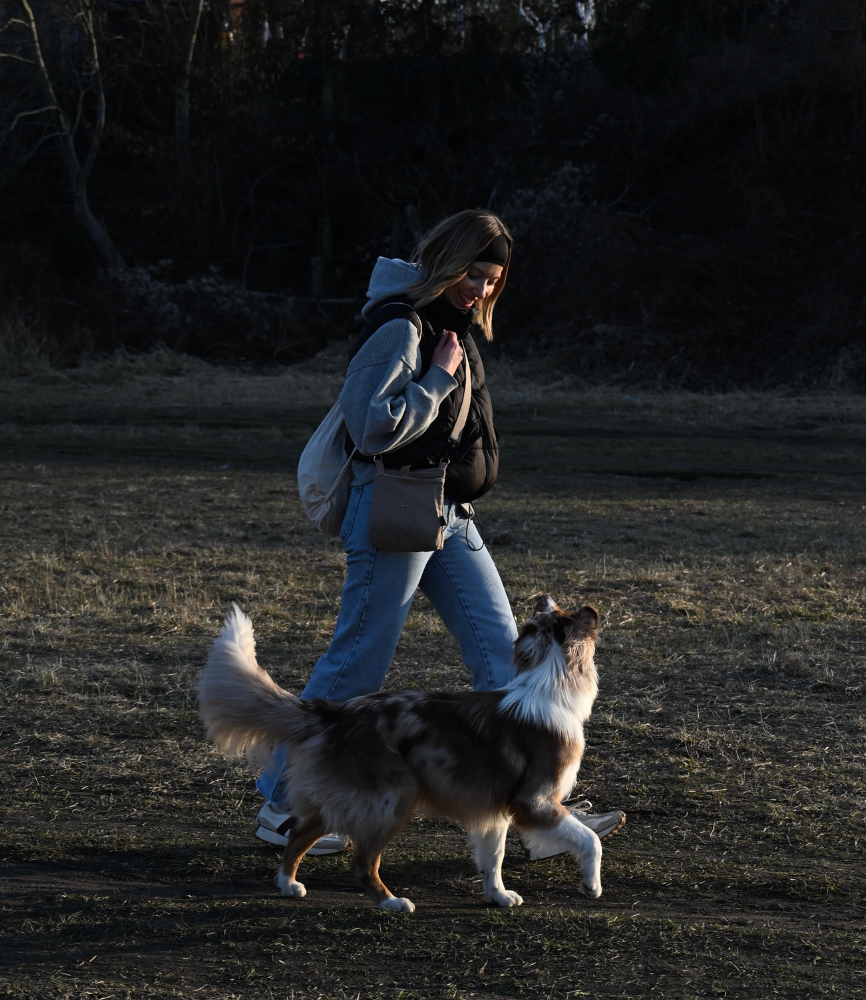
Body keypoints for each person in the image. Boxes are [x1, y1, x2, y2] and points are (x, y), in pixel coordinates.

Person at [255, 209, 623, 860]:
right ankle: (283, 805)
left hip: (449, 514)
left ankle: (537, 814)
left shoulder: (449, 324)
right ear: (445, 261)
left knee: (506, 657)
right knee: (357, 662)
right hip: (396, 506)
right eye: (473, 272)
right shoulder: (400, 323)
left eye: (493, 279)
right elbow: (371, 425)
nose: (480, 288)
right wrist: (435, 380)